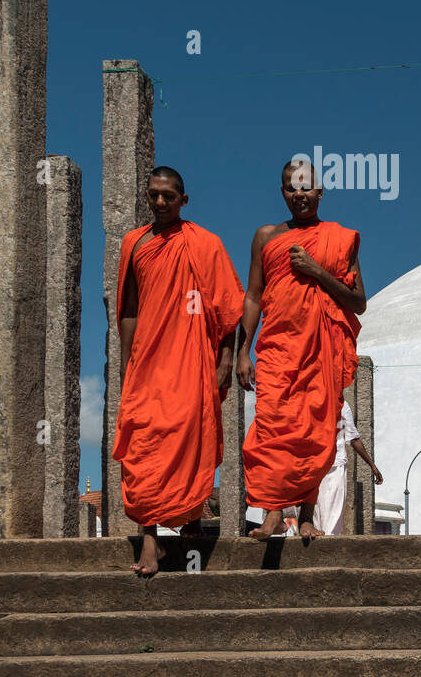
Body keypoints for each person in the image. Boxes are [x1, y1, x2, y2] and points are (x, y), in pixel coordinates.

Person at [114, 167, 244, 577]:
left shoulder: (205, 244)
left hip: (193, 359)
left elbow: (228, 309)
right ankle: (150, 537)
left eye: (169, 196)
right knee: (143, 445)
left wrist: (226, 357)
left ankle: (190, 522)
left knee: (191, 439)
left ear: (183, 200)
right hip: (149, 360)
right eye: (153, 195)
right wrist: (127, 361)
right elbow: (130, 308)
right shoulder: (134, 244)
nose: (160, 203)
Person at [238, 160, 366, 541]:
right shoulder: (266, 236)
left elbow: (358, 302)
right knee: (272, 426)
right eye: (291, 188)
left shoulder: (339, 239)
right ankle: (273, 513)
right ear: (282, 193)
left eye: (306, 187)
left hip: (321, 348)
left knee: (316, 431)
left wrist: (316, 271)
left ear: (320, 191)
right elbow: (253, 296)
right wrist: (243, 350)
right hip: (278, 346)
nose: (300, 194)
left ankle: (308, 517)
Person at [315, 399, 384, 536]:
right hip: (315, 467)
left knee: (331, 518)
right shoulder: (309, 399)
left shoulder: (341, 404)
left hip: (333, 466)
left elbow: (353, 438)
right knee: (317, 519)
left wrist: (372, 465)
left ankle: (328, 550)